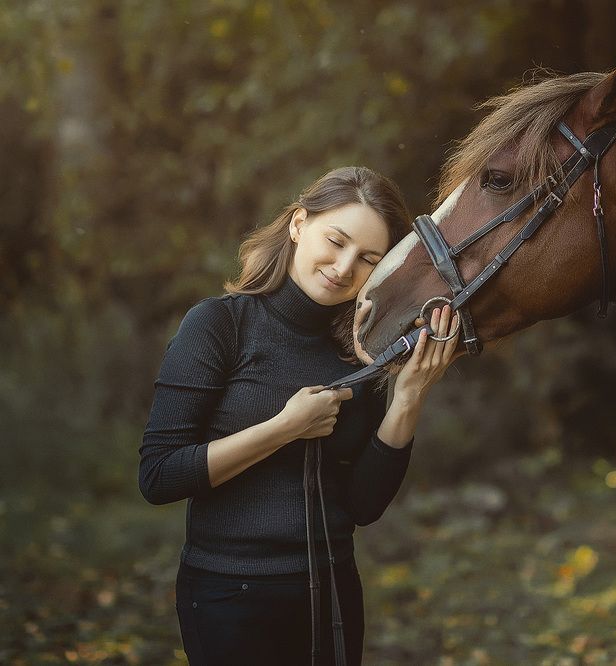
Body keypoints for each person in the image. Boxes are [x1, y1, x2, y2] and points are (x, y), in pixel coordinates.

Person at [139, 166, 459, 665]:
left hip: (331, 590)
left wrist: (408, 396)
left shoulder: (359, 353)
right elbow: (159, 476)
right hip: (227, 596)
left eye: (367, 259)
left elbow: (363, 506)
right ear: (297, 224)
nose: (343, 266)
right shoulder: (219, 325)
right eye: (335, 240)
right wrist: (284, 429)